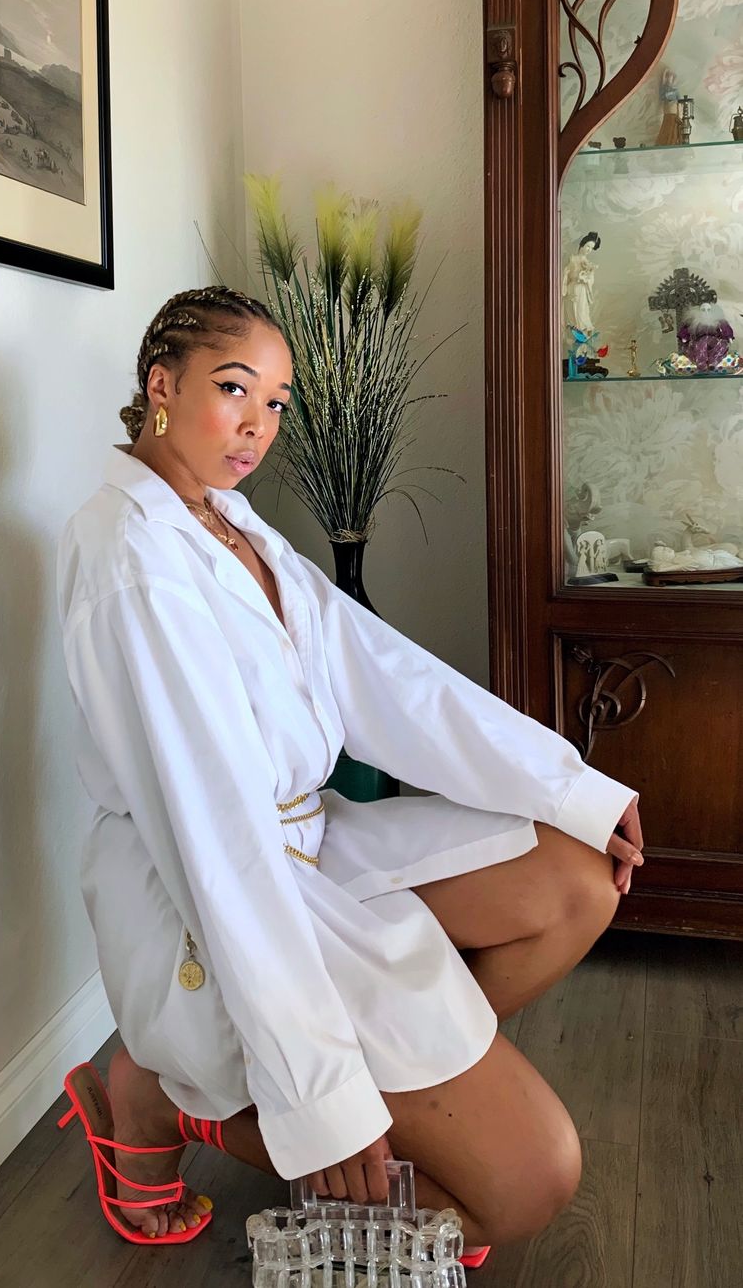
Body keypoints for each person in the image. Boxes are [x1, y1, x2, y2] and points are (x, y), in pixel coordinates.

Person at [55, 285, 644, 1253]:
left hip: (309, 837)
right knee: (528, 1186)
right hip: (207, 890)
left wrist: (570, 786)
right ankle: (162, 1101)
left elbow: (386, 677)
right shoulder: (134, 563)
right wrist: (318, 1092)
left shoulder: (230, 523)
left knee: (576, 878)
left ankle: (397, 1091)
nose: (258, 423)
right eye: (233, 388)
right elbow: (215, 837)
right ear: (161, 386)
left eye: (275, 402)